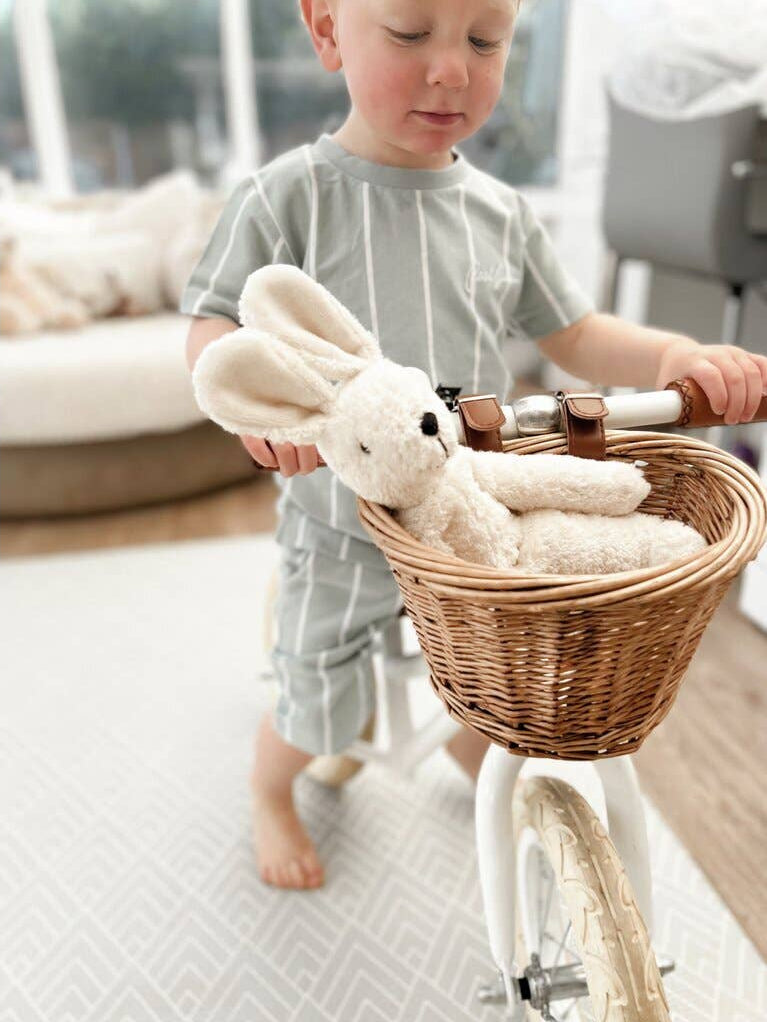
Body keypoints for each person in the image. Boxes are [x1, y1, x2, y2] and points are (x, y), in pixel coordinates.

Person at [182, 0, 767, 891]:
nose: (452, 69)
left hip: (470, 517)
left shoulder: (498, 212)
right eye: (412, 35)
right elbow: (217, 329)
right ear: (328, 27)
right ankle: (270, 789)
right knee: (317, 709)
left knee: (509, 675)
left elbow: (575, 335)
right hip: (341, 523)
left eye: (485, 42)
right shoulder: (285, 197)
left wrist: (671, 355)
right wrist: (256, 419)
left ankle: (471, 747)